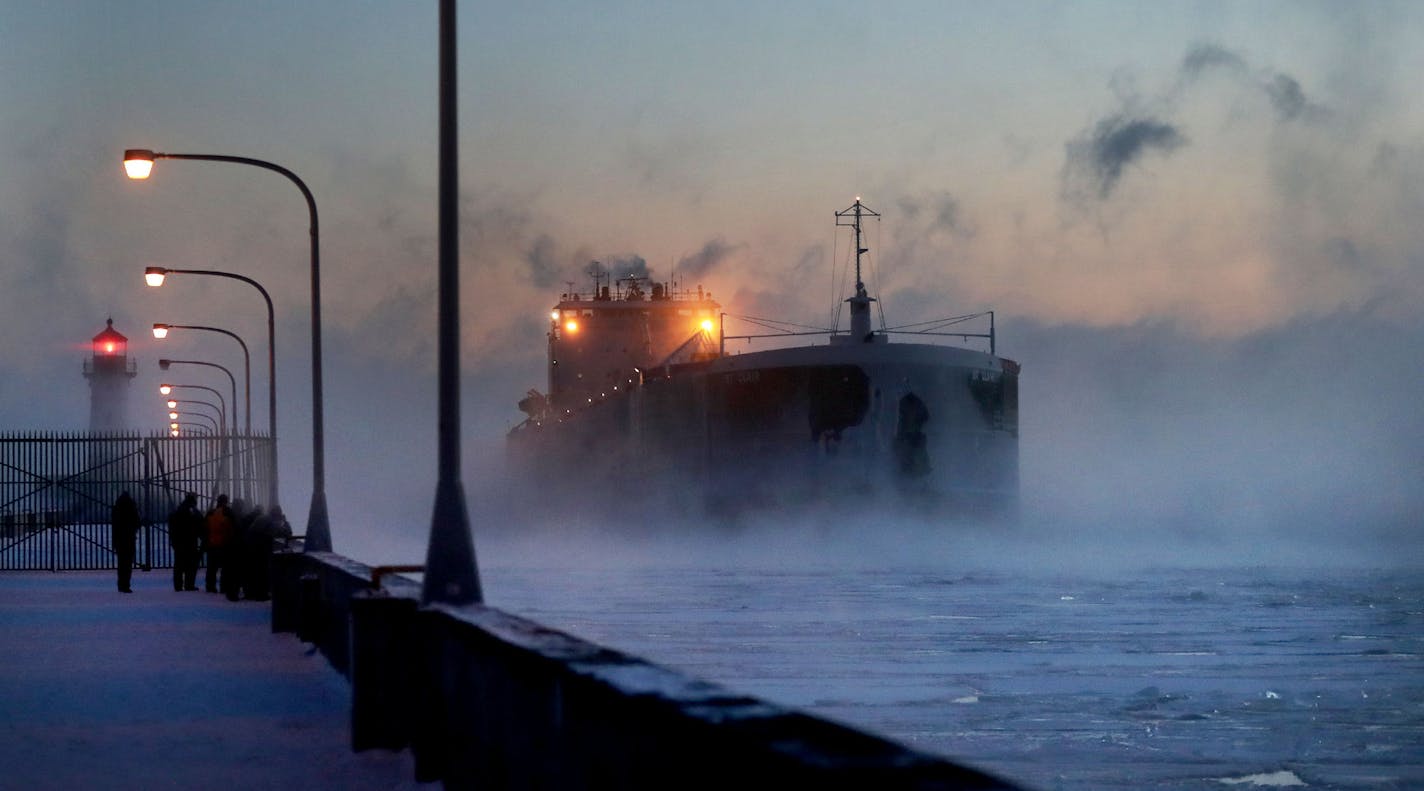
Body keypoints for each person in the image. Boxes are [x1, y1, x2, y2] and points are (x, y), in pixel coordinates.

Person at [167, 493, 202, 591]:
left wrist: (173, 539)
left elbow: (172, 524)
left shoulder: (178, 509)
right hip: (190, 540)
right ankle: (189, 584)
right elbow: (199, 525)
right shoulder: (194, 511)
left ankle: (178, 585)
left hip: (178, 541)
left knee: (179, 564)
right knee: (191, 564)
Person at [110, 491, 141, 593]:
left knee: (121, 563)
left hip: (119, 539)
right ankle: (126, 585)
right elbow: (137, 523)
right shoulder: (132, 508)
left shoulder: (116, 509)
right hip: (129, 538)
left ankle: (121, 584)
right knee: (127, 564)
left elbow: (114, 525)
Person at [203, 494, 235, 594]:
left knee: (211, 567)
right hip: (224, 543)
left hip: (212, 543)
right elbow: (232, 527)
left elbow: (205, 528)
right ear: (226, 501)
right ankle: (223, 587)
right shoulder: (228, 512)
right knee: (225, 567)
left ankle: (210, 586)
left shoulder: (210, 513)